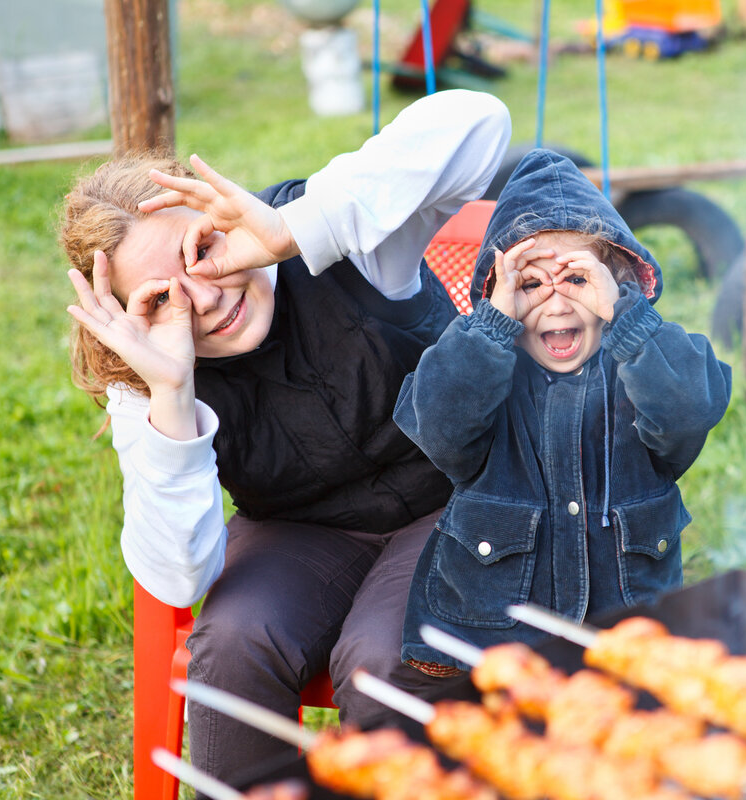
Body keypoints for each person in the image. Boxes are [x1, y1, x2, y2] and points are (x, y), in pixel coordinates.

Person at [58, 89, 510, 789]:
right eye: (161, 298)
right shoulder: (146, 372)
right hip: (301, 530)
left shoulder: (336, 238)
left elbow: (481, 121)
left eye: (201, 249)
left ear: (217, 212)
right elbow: (179, 579)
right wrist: (171, 397)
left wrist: (297, 227)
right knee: (234, 645)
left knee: (387, 655)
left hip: (455, 503)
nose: (204, 296)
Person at [393, 148, 733, 672]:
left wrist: (628, 319)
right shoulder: (481, 368)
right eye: (529, 284)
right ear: (497, 296)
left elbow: (688, 411)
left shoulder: (643, 361)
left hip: (622, 645)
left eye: (577, 279)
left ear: (617, 284)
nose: (555, 303)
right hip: (488, 646)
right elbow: (439, 428)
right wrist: (490, 326)